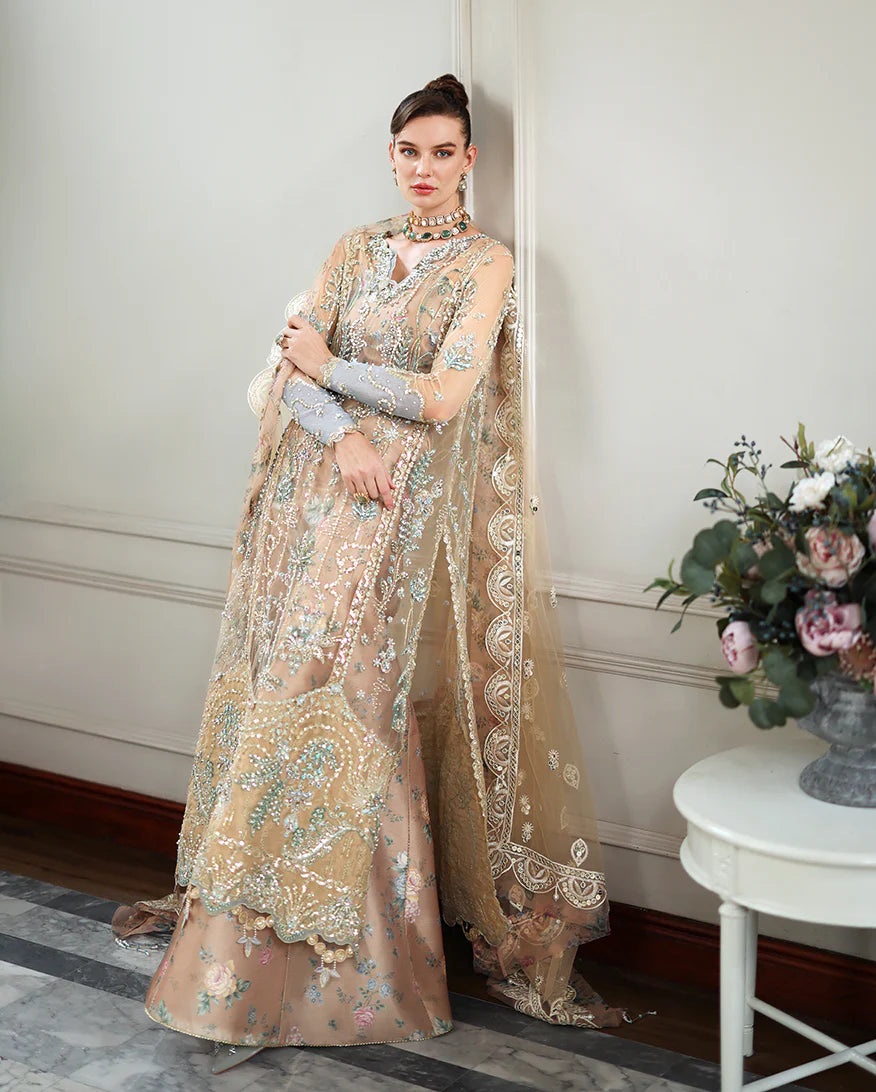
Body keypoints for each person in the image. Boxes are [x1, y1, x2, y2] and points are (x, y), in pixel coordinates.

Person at [111, 74, 625, 1074]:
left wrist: (333, 369)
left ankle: (358, 974)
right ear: (390, 157)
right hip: (311, 501)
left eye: (443, 152)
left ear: (470, 160)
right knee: (280, 696)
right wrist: (342, 433)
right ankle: (236, 963)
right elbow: (290, 368)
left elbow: (443, 395)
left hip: (397, 512)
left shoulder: (486, 263)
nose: (424, 168)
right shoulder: (354, 248)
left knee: (355, 701)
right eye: (409, 152)